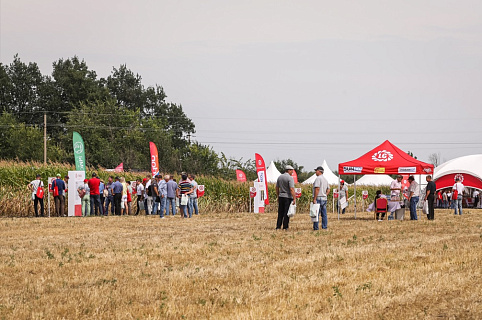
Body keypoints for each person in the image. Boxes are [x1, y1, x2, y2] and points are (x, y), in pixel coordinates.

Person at [276, 165, 296, 230]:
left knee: (280, 212)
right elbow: (291, 189)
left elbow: (277, 187)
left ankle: (278, 226)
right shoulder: (290, 178)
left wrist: (278, 196)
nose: (292, 172)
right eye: (292, 171)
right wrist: (294, 198)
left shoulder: (280, 177)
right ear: (289, 170)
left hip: (281, 196)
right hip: (287, 197)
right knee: (286, 213)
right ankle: (285, 226)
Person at [312, 166, 330, 230]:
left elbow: (317, 188)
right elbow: (328, 189)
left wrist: (314, 198)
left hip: (318, 198)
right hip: (324, 198)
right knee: (324, 214)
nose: (315, 172)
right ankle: (324, 226)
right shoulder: (325, 179)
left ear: (319, 171)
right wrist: (325, 194)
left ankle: (316, 227)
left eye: (316, 171)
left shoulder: (318, 179)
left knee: (316, 213)